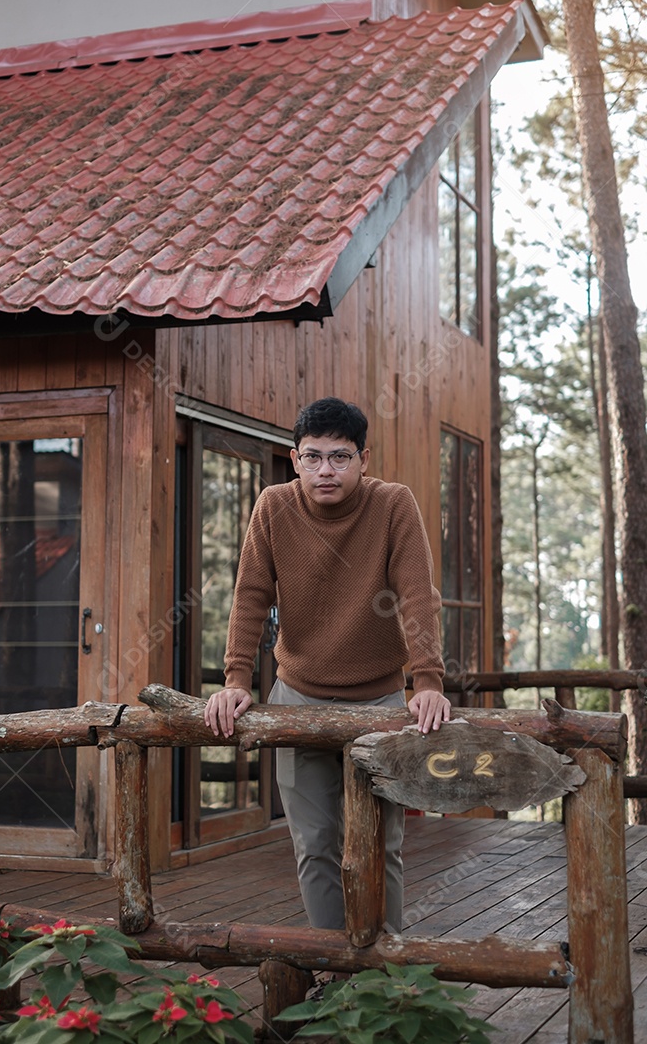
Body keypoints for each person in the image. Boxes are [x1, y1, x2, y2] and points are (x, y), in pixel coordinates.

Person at [204, 396, 449, 934]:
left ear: (365, 458)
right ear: (294, 459)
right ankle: (334, 977)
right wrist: (236, 680)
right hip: (298, 698)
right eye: (312, 457)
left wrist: (426, 682)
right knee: (315, 846)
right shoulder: (273, 507)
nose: (325, 470)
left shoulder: (393, 504)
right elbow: (249, 596)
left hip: (381, 703)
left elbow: (417, 596)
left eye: (340, 457)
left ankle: (384, 977)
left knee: (383, 845)